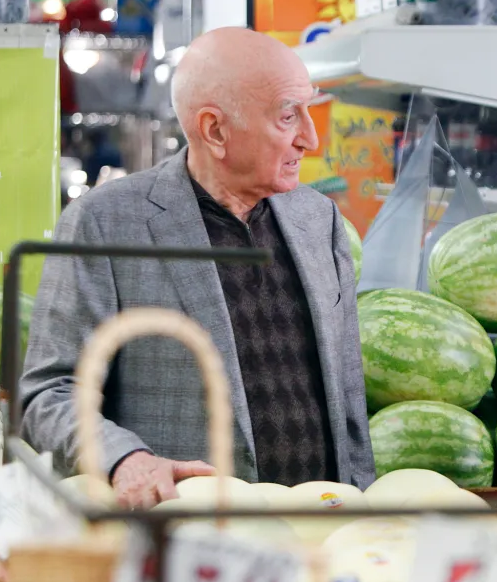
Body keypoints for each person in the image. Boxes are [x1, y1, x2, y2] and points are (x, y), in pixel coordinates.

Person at [20, 27, 375, 509]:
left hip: (320, 528)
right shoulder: (106, 223)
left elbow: (347, 396)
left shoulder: (318, 217)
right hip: (188, 540)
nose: (310, 138)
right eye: (288, 116)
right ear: (214, 130)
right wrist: (126, 459)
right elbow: (50, 392)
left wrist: (363, 501)